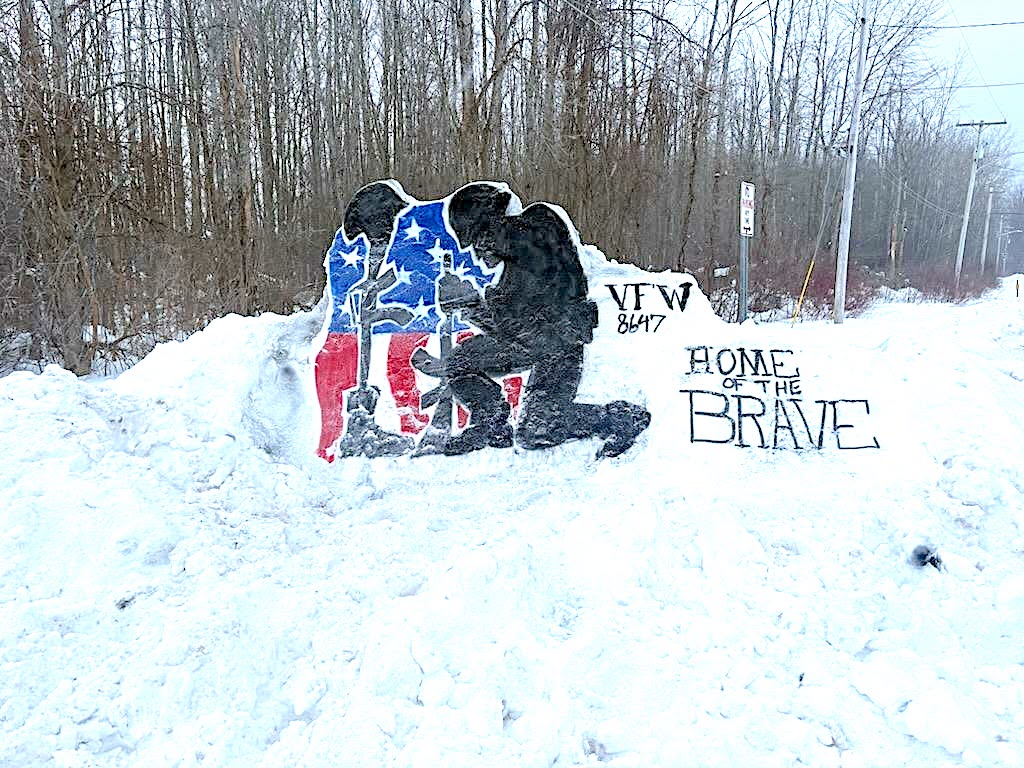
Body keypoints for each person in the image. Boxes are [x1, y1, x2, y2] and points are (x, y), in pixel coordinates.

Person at [438, 182, 650, 457]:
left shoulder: (539, 229)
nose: (477, 252)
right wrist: (468, 306)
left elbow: (529, 251)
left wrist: (474, 301)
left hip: (559, 346)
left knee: (538, 430)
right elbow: (508, 328)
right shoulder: (514, 268)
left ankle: (621, 419)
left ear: (494, 223)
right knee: (460, 363)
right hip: (531, 344)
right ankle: (491, 424)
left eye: (479, 238)